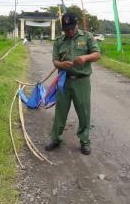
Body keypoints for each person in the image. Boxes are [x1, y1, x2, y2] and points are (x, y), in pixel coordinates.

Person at [45, 12, 101, 155]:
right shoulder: (59, 41)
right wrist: (61, 64)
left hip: (81, 82)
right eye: (66, 29)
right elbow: (55, 61)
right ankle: (56, 139)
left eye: (72, 28)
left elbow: (97, 54)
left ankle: (84, 141)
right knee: (60, 112)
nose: (69, 31)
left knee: (84, 112)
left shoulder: (87, 36)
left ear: (77, 25)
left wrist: (85, 57)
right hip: (64, 81)